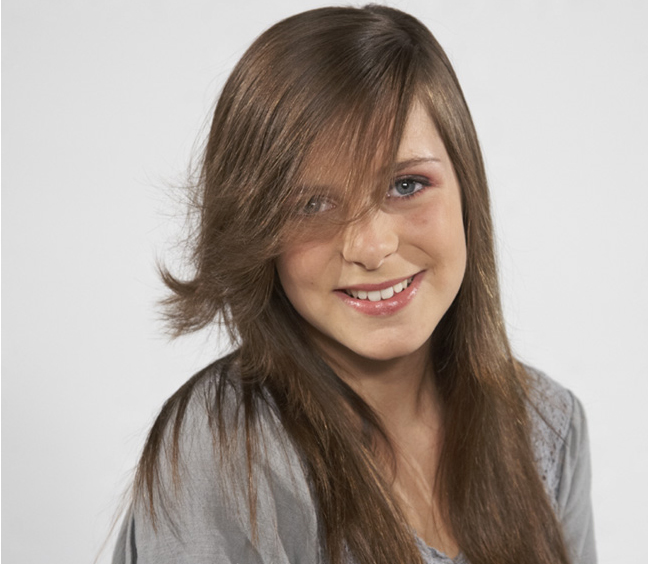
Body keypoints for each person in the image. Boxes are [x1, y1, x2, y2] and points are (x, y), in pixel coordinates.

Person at [113, 5, 596, 564]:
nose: (371, 247)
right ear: (255, 231)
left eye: (406, 184)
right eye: (312, 204)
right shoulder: (224, 451)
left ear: (466, 187)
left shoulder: (547, 425)